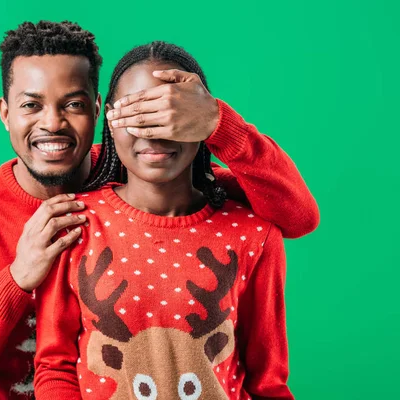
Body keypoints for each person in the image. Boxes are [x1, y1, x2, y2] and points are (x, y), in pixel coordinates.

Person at [0, 21, 316, 400]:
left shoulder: (146, 169)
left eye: (73, 104)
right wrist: (16, 279)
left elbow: (293, 214)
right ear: (4, 112)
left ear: (99, 110)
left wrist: (216, 121)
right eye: (31, 105)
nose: (52, 123)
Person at [34, 42, 296, 399]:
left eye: (171, 114)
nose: (152, 132)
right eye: (135, 114)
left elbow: (268, 381)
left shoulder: (254, 235)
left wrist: (222, 122)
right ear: (109, 119)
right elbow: (55, 365)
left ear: (201, 121)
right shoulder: (74, 223)